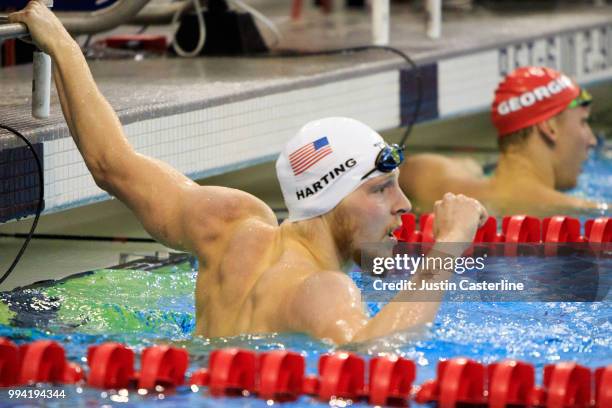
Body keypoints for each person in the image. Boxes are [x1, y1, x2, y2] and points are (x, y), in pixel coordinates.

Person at [9, 1, 487, 344]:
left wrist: (61, 43)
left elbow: (111, 164)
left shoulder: (230, 225)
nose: (404, 205)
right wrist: (446, 251)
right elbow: (374, 352)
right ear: (330, 196)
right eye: (381, 189)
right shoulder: (325, 289)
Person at [399, 66, 608, 216]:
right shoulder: (587, 211)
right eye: (583, 122)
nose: (590, 140)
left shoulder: (425, 176)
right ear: (549, 127)